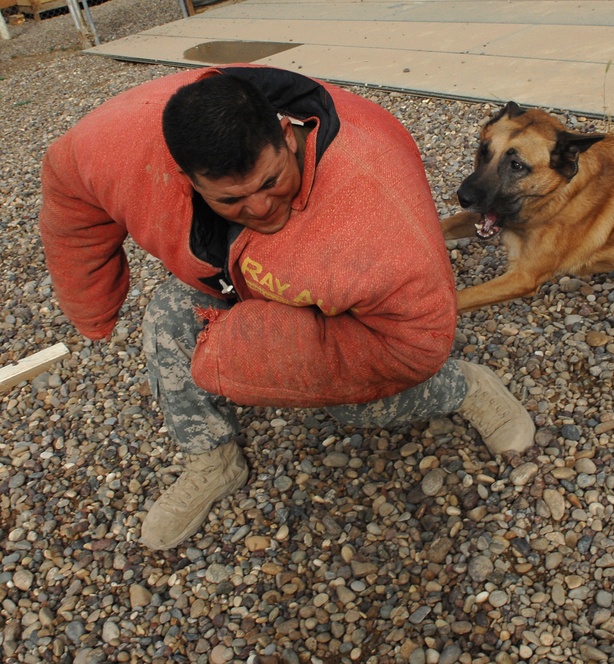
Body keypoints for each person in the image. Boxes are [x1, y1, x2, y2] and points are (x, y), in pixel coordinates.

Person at [39, 64, 535, 551]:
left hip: (356, 306)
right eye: (231, 198)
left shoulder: (375, 215)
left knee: (351, 408)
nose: (259, 208)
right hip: (238, 275)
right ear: (186, 178)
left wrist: (248, 354)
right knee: (169, 312)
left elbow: (417, 343)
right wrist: (92, 310)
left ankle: (464, 388)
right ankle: (213, 459)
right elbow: (69, 193)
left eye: (271, 182)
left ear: (286, 134)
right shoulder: (116, 148)